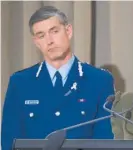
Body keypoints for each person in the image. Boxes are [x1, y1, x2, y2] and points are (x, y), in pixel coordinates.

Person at [1, 6, 115, 150]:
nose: (49, 41)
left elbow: (104, 141)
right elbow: (9, 142)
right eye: (41, 35)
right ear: (36, 42)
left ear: (68, 31)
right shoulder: (20, 82)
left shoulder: (99, 80)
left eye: (54, 31)